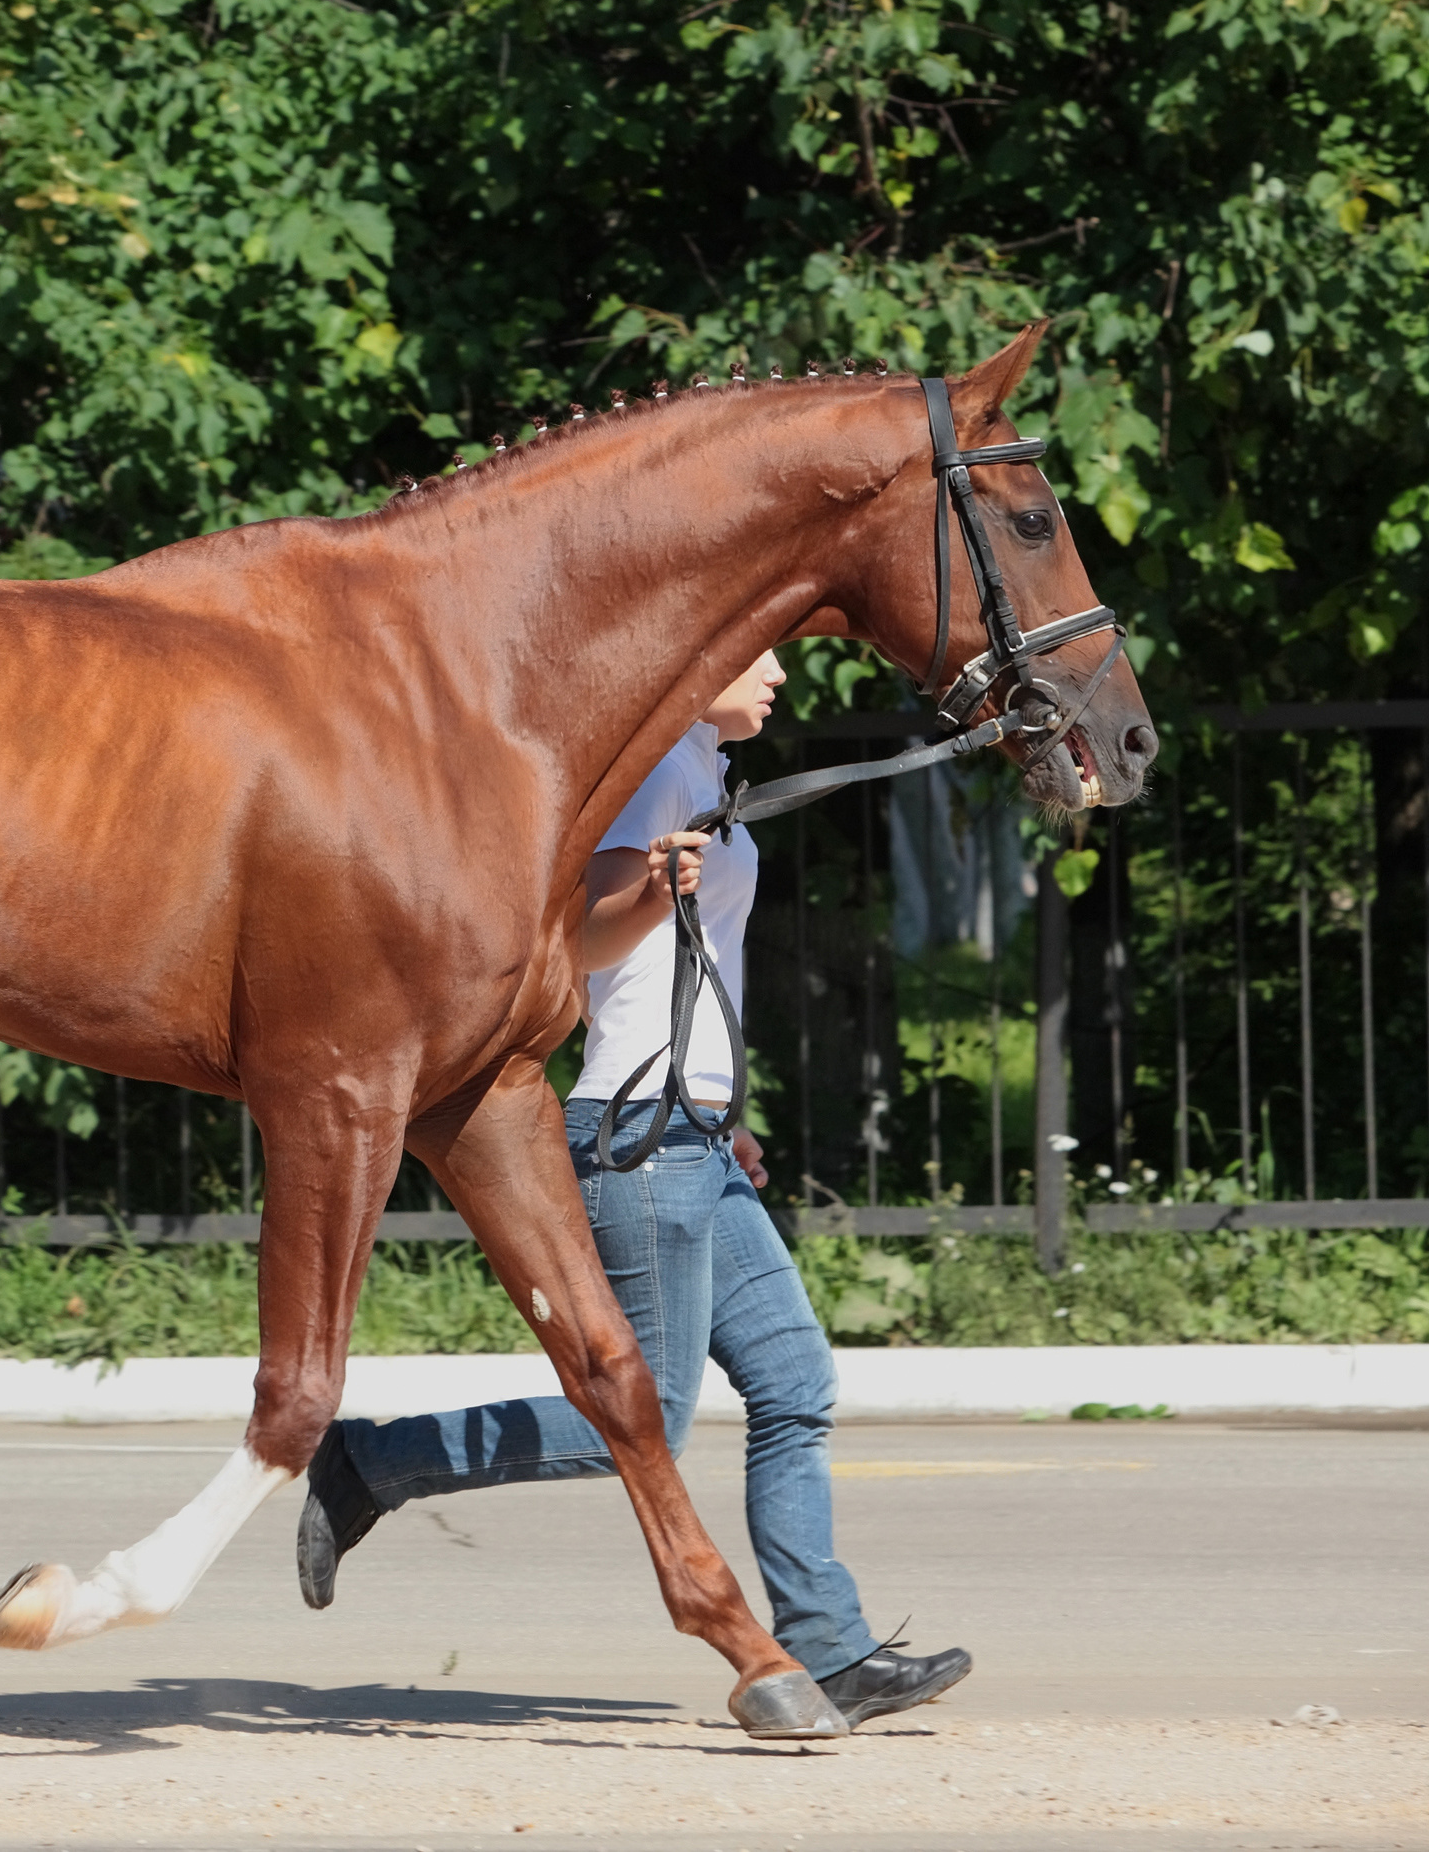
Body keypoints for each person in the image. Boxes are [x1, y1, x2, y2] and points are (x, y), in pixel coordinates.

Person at [296, 648, 971, 1733]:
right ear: (696, 658)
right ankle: (372, 1461)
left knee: (793, 1382)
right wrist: (652, 888)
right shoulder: (653, 768)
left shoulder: (704, 766)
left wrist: (723, 1108)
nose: (781, 673)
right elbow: (578, 935)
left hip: (695, 1133)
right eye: (759, 655)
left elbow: (690, 973)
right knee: (636, 1413)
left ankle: (831, 1649)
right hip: (637, 1139)